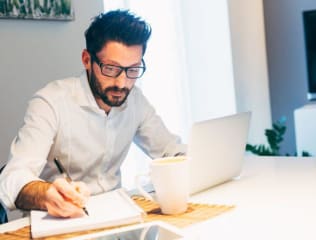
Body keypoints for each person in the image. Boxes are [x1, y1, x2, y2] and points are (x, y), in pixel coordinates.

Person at [0, 9, 186, 218]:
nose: (122, 83)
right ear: (87, 60)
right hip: (61, 223)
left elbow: (170, 151)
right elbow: (12, 178)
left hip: (117, 219)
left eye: (133, 69)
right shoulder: (50, 102)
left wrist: (196, 161)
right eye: (111, 68)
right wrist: (47, 194)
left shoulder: (135, 100)